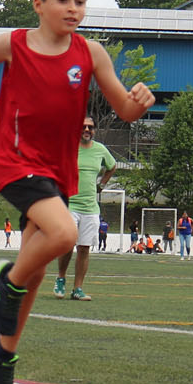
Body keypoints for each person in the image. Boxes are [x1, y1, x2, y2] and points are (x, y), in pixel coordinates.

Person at [0, 0, 155, 384]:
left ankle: (2, 353)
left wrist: (140, 101)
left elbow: (123, 109)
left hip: (57, 171)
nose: (73, 8)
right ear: (38, 4)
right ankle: (7, 281)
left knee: (37, 270)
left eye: (80, 1)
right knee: (63, 234)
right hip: (15, 159)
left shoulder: (91, 53)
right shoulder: (15, 44)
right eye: (63, 0)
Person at [53, 117, 116, 301]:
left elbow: (112, 167)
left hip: (90, 208)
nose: (87, 129)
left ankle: (77, 289)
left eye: (90, 127)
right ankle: (61, 279)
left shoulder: (100, 149)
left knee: (84, 248)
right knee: (67, 244)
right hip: (70, 205)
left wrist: (102, 184)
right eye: (83, 127)